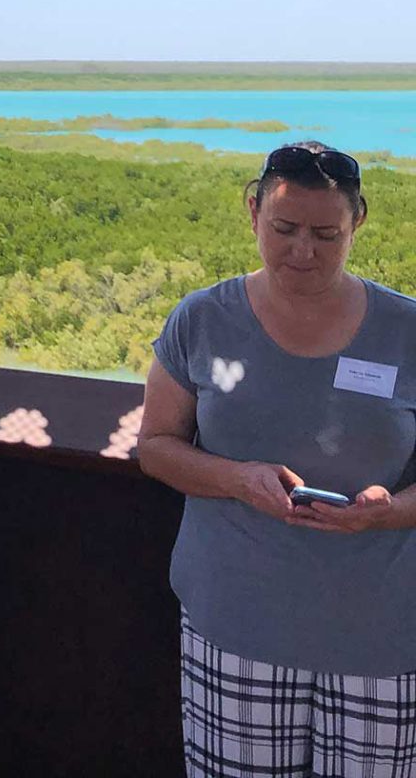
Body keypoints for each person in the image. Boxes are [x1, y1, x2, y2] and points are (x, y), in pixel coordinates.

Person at [139, 141, 416, 778]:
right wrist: (238, 480)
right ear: (252, 210)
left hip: (382, 635)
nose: (303, 251)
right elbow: (156, 447)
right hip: (237, 625)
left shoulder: (406, 329)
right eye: (284, 228)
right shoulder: (202, 320)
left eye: (327, 234)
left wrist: (390, 511)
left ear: (359, 224)